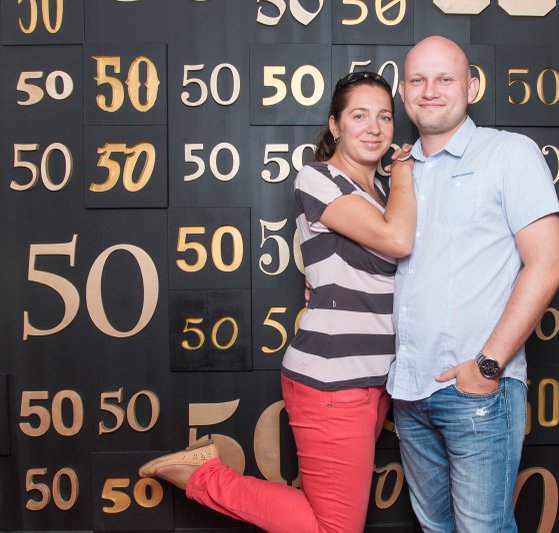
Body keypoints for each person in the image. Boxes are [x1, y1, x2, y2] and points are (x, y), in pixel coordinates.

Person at [139, 71, 415, 533]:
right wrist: (405, 169)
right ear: (335, 125)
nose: (374, 128)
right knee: (335, 529)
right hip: (332, 380)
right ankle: (200, 475)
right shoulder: (319, 178)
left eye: (385, 117)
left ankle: (201, 473)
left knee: (330, 517)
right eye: (359, 115)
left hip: (373, 379)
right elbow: (398, 240)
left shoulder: (383, 193)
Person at [388, 36, 559, 532]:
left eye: (444, 79)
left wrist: (488, 365)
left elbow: (548, 264)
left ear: (470, 87)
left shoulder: (508, 153)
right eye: (418, 80)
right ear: (404, 92)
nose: (430, 91)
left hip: (477, 393)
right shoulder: (400, 171)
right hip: (409, 393)